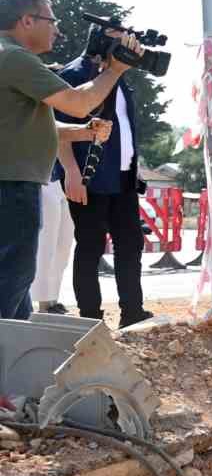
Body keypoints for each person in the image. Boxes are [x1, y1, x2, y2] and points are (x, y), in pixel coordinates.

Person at [0, 0, 137, 320]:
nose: (57, 30)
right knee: (12, 280)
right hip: (12, 186)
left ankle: (16, 358)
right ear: (27, 21)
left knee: (16, 285)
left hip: (12, 183)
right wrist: (116, 69)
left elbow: (30, 125)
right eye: (51, 20)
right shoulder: (14, 58)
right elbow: (78, 103)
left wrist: (82, 131)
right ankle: (9, 364)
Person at [55, 42, 162, 327]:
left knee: (130, 243)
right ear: (103, 39)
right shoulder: (75, 74)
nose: (129, 45)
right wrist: (71, 172)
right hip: (90, 179)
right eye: (120, 37)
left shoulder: (119, 77)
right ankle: (90, 319)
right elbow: (57, 128)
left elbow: (125, 129)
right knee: (90, 246)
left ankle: (132, 312)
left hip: (123, 177)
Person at [34, 113, 114, 314]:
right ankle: (42, 302)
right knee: (46, 243)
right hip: (41, 176)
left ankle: (53, 298)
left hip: (65, 177)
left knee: (63, 245)